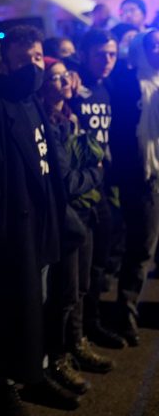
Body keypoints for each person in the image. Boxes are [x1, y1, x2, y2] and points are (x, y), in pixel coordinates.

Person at [0, 26, 71, 413]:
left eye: (38, 58)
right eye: (24, 60)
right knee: (12, 309)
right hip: (14, 228)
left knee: (38, 304)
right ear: (7, 63)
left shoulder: (35, 100)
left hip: (44, 224)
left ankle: (35, 374)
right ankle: (9, 385)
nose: (33, 66)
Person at [38, 58, 109, 396]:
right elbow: (66, 182)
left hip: (84, 214)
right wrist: (96, 174)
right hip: (66, 219)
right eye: (55, 77)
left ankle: (76, 344)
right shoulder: (48, 124)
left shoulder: (71, 115)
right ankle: (58, 358)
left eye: (65, 75)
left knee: (79, 288)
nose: (63, 82)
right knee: (63, 294)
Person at [68, 29, 126, 349]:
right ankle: (75, 338)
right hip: (78, 191)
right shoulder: (74, 83)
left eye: (112, 54)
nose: (107, 61)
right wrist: (68, 68)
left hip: (102, 188)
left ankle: (92, 324)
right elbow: (54, 70)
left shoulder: (109, 87)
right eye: (100, 54)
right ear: (84, 54)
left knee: (99, 263)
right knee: (79, 271)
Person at [109, 29, 159, 347]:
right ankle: (124, 312)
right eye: (153, 45)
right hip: (142, 177)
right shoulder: (127, 83)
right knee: (142, 248)